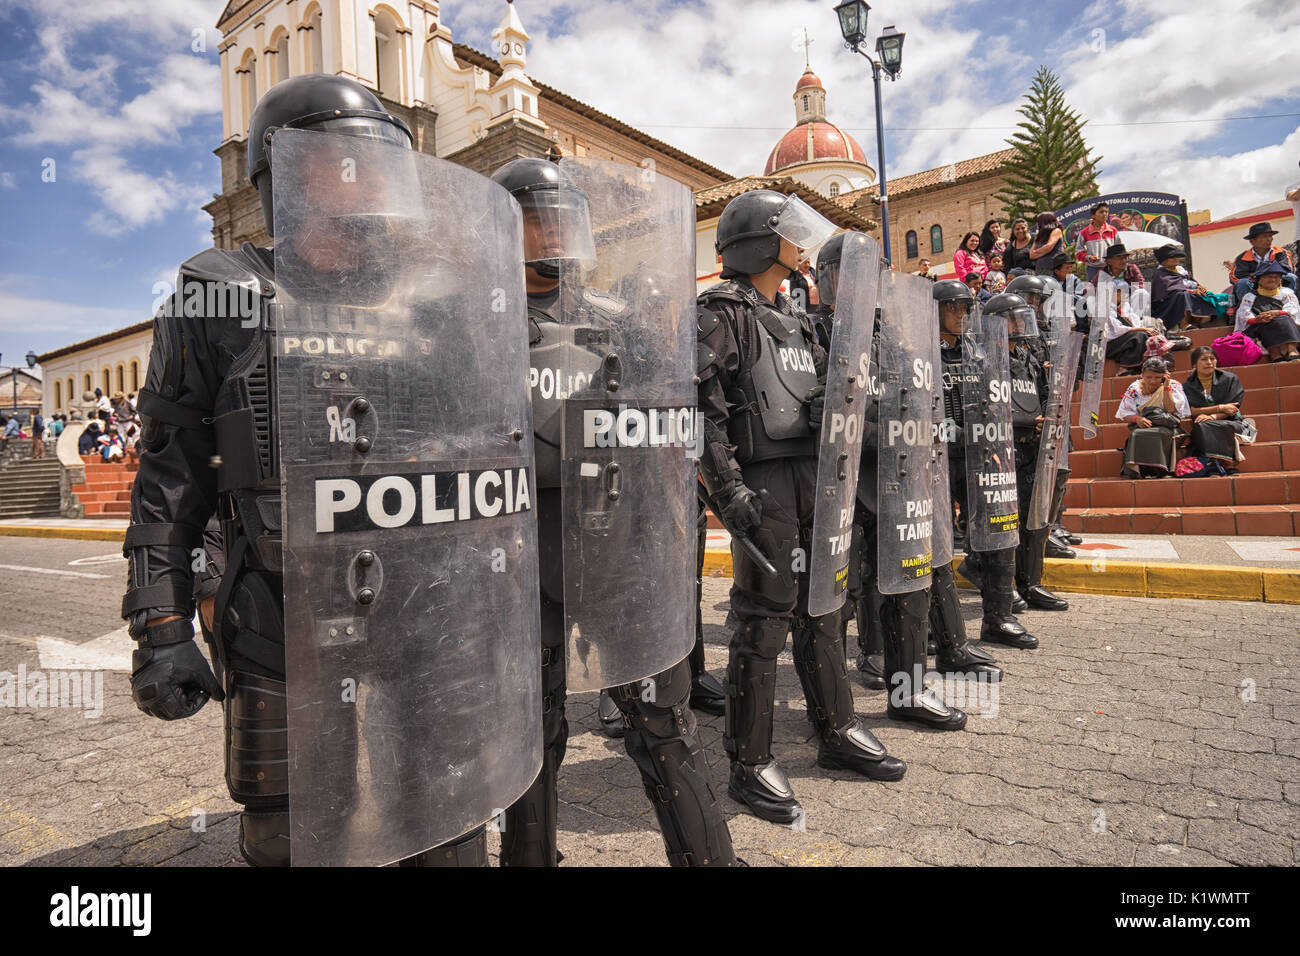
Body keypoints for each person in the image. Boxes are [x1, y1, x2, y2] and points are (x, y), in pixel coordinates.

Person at [121, 74, 519, 868]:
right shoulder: (221, 294)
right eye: (343, 161)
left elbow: (484, 466)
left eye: (377, 163)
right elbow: (172, 480)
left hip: (425, 609)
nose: (364, 181)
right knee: (293, 837)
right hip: (278, 615)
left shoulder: (435, 303)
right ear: (287, 174)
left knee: (449, 825)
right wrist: (161, 629)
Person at [491, 156, 736, 866]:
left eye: (563, 218)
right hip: (521, 561)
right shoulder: (472, 328)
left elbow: (664, 438)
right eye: (535, 219)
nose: (553, 235)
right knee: (530, 737)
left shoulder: (623, 325)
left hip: (618, 556)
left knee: (663, 722)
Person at [697, 189, 907, 825]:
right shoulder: (718, 313)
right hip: (764, 484)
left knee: (825, 603)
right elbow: (695, 409)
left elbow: (832, 384)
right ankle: (749, 758)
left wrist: (839, 409)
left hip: (816, 477)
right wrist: (726, 489)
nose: (798, 240)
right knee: (763, 620)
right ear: (760, 242)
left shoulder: (793, 314)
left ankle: (836, 729)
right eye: (785, 230)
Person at [936, 281, 1036, 652]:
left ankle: (999, 617)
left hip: (980, 454)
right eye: (955, 308)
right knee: (938, 542)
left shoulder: (980, 353)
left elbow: (995, 401)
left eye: (967, 308)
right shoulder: (922, 353)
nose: (963, 316)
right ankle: (937, 625)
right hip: (938, 457)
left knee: (998, 535)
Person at [1117, 357, 1191, 477]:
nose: (1152, 381)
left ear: (1164, 375)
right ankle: (1141, 471)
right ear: (1142, 375)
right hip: (1144, 425)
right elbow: (1123, 413)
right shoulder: (1135, 388)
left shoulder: (1174, 385)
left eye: (1157, 377)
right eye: (1148, 377)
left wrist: (1166, 387)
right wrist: (1137, 419)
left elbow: (1171, 409)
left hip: (1168, 426)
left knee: (1158, 434)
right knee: (1136, 434)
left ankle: (1162, 470)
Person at [1184, 347, 1247, 475]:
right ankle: (1216, 465)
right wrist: (1221, 407)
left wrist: (1213, 416)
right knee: (1202, 426)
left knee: (1214, 425)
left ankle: (1226, 464)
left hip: (1231, 420)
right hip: (1202, 422)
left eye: (1212, 359)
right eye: (1204, 359)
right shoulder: (1188, 385)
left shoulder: (1229, 379)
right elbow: (1191, 411)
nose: (1209, 362)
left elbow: (1233, 408)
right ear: (1194, 364)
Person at [1235, 259, 1300, 362]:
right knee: (1266, 323)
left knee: (1284, 318)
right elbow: (1244, 313)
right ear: (1259, 279)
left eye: (1276, 277)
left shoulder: (1287, 293)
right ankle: (1275, 353)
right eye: (1269, 277)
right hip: (1259, 326)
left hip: (1285, 324)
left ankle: (1292, 349)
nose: (1273, 279)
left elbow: (1293, 308)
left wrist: (1277, 313)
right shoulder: (1250, 296)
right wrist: (1256, 319)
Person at [1151, 245, 1217, 331]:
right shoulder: (1160, 273)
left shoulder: (1180, 270)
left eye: (1177, 257)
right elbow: (1171, 288)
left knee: (1206, 296)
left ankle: (1196, 322)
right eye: (1172, 257)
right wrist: (1191, 291)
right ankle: (1184, 324)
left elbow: (1191, 282)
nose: (1176, 259)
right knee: (1182, 295)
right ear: (1163, 260)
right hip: (1167, 302)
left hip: (1185, 293)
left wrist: (1199, 287)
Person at [1230, 222, 1296, 306]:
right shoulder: (1242, 258)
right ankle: (1247, 309)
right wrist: (1260, 278)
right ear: (1252, 241)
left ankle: (1289, 306)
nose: (1269, 239)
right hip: (1254, 286)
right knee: (1243, 283)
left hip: (1277, 283)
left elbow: (1287, 270)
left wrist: (1262, 275)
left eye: (1270, 236)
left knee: (1291, 277)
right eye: (1265, 236)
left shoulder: (1281, 252)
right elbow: (1235, 277)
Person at [1075, 202, 1119, 283]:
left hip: (1110, 268)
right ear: (1093, 216)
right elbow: (1078, 252)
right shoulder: (1084, 232)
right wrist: (1088, 257)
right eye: (1101, 212)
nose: (1105, 214)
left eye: (1106, 212)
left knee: (1112, 292)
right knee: (1093, 292)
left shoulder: (1113, 230)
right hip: (1093, 269)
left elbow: (1119, 249)